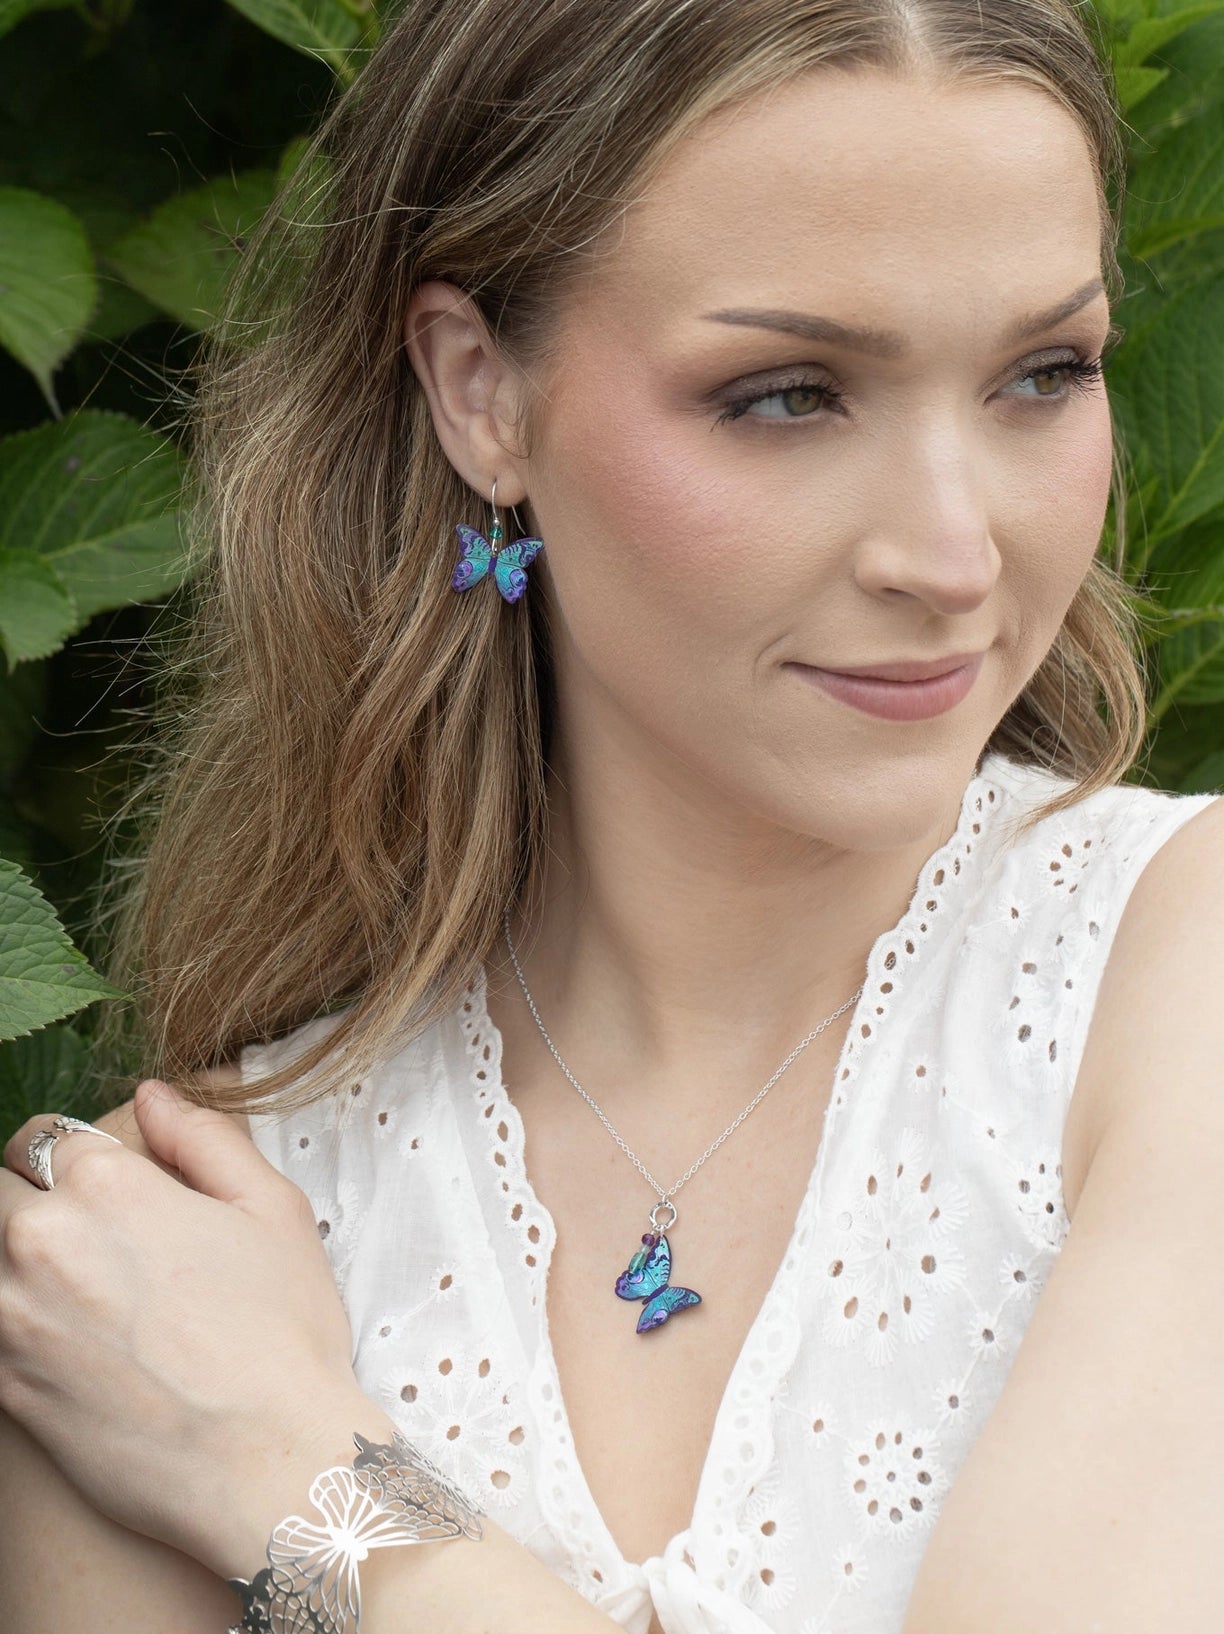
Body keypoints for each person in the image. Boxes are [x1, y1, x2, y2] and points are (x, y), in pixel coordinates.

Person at [1, 0, 1222, 1631]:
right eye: (789, 393)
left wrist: (298, 1478)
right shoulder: (172, 1251)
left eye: (1044, 374)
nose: (953, 554)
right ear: (480, 391)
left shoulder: (1175, 978)